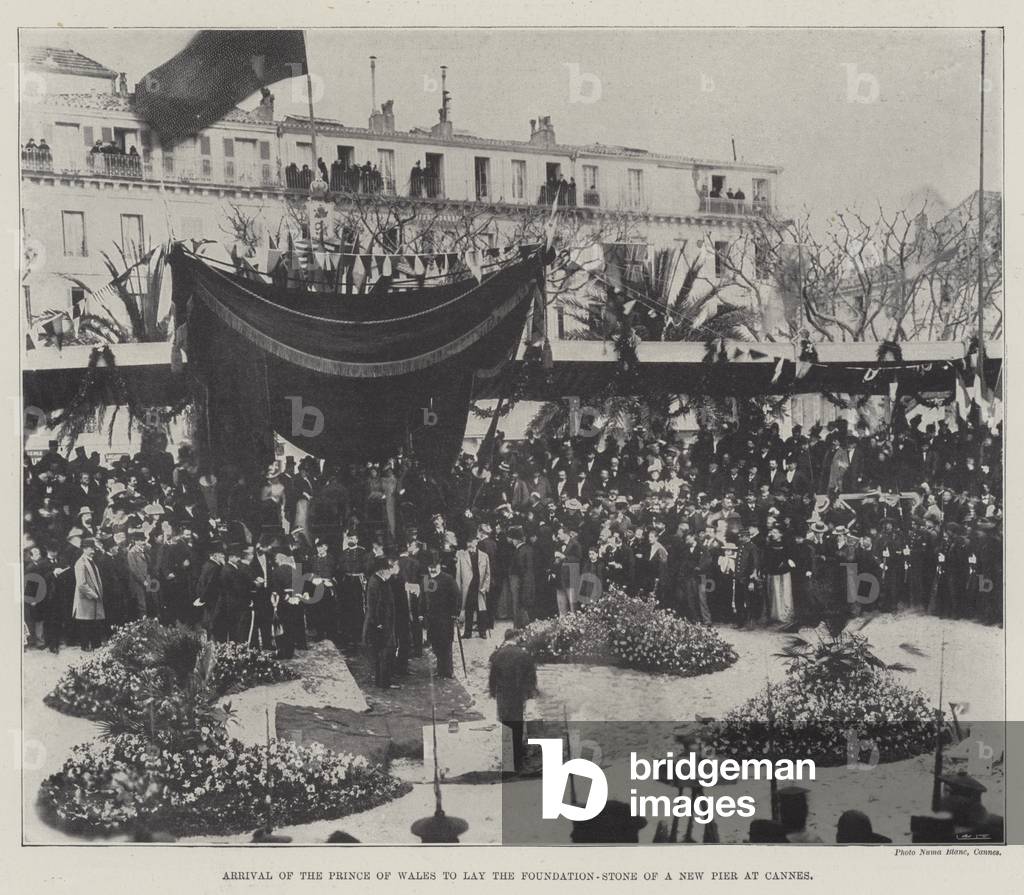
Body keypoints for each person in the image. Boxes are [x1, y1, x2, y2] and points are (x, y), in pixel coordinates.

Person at [488, 629, 538, 773]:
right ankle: (518, 762)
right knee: (517, 724)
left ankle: (507, 762)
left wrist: (492, 691)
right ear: (515, 637)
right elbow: (531, 675)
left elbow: (493, 676)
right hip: (517, 693)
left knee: (505, 723)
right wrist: (530, 692)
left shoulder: (498, 654)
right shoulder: (523, 654)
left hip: (503, 694)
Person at [363, 555, 400, 688]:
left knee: (383, 651)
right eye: (389, 570)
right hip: (381, 623)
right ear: (382, 570)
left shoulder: (379, 581)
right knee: (385, 651)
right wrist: (379, 622)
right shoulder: (376, 583)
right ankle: (384, 682)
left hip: (383, 622)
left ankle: (382, 681)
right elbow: (375, 605)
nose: (391, 573)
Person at [424, 553, 460, 678]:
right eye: (430, 566)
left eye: (435, 566)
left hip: (445, 617)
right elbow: (424, 598)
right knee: (436, 644)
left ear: (440, 566)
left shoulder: (448, 579)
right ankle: (440, 670)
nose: (432, 568)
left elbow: (456, 596)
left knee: (446, 643)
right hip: (432, 618)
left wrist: (455, 613)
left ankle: (448, 671)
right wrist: (422, 613)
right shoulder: (426, 579)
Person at [455, 534, 491, 638]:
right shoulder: (462, 556)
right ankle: (467, 632)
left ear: (476, 542)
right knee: (468, 610)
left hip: (479, 586)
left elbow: (488, 574)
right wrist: (459, 589)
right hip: (468, 587)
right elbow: (458, 575)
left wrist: (485, 586)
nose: (470, 545)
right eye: (468, 543)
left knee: (481, 611)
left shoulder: (484, 556)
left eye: (473, 542)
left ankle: (482, 632)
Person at [72, 538, 105, 650]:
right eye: (90, 548)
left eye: (93, 548)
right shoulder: (80, 563)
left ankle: (96, 645)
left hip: (92, 598)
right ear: (84, 549)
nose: (93, 551)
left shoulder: (91, 561)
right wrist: (94, 594)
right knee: (85, 623)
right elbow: (81, 584)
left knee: (93, 622)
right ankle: (85, 646)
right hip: (86, 598)